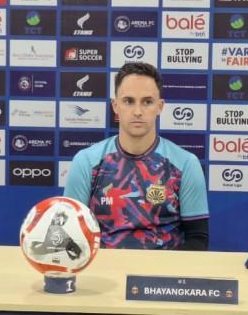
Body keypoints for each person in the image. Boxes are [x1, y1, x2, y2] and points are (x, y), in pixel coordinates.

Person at [64, 62, 209, 250]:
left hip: (164, 268)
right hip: (105, 266)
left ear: (160, 106)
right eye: (129, 101)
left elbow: (197, 239)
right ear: (115, 106)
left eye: (147, 102)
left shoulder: (186, 164)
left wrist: (165, 269)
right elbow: (71, 234)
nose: (138, 111)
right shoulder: (86, 162)